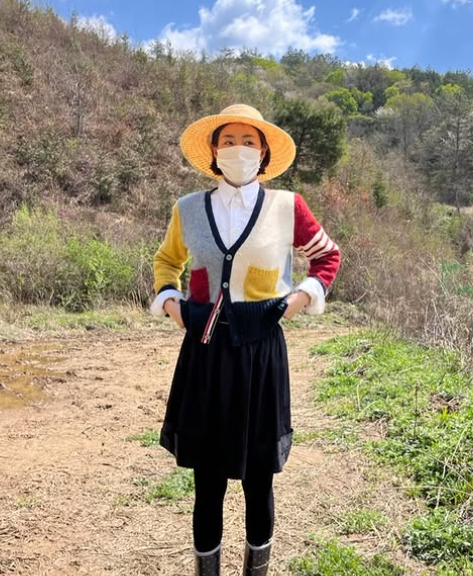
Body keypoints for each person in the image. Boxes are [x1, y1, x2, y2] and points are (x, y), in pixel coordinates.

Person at [150, 104, 340, 576]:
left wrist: (298, 300)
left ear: (264, 152)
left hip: (261, 356)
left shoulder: (287, 206)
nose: (239, 149)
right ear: (215, 151)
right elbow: (166, 262)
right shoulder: (188, 208)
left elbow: (327, 257)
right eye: (229, 141)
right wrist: (173, 305)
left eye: (249, 141)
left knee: (259, 480)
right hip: (205, 354)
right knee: (207, 482)